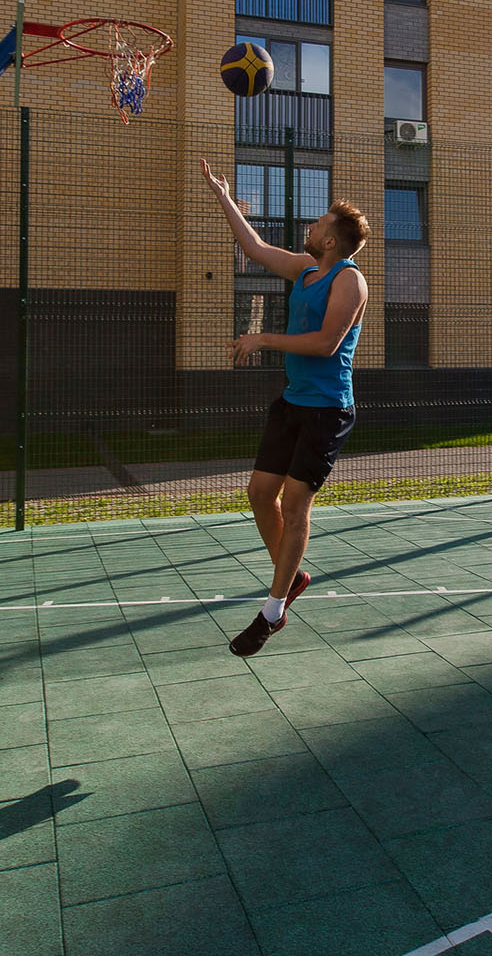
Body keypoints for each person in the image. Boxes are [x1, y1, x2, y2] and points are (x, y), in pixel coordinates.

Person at [202, 159, 369, 656]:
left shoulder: (348, 281)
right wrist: (223, 196)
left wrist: (263, 339)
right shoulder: (305, 268)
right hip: (292, 403)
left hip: (326, 410)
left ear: (332, 241)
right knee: (259, 494)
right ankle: (290, 577)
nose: (309, 227)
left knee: (295, 506)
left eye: (317, 224)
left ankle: (272, 610)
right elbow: (253, 248)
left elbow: (325, 344)